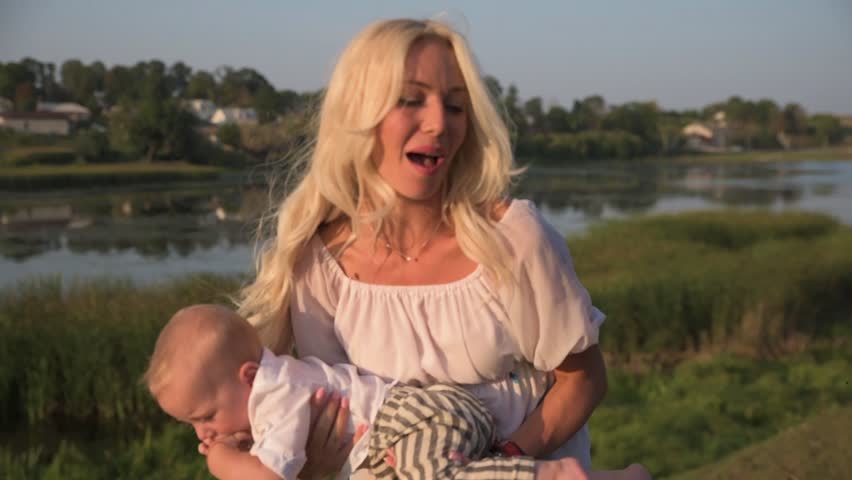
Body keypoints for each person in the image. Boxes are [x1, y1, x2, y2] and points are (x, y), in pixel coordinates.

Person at [239, 18, 612, 479]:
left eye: (455, 106)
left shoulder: (515, 240)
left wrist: (502, 460)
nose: (439, 123)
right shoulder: (318, 265)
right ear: (359, 113)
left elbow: (584, 379)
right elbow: (339, 413)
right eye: (410, 100)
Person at [144, 304, 650, 480]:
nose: (203, 432)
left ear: (249, 377)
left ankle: (560, 476)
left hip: (413, 421)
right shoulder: (276, 386)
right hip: (407, 432)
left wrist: (219, 462)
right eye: (193, 426)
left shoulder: (276, 396)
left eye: (205, 416)